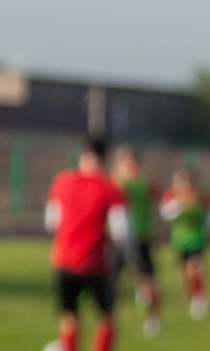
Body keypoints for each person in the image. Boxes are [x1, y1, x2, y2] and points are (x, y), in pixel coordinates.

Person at [44, 138, 139, 351]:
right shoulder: (110, 188)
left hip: (64, 259)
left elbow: (51, 222)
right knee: (106, 317)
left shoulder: (62, 181)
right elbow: (121, 231)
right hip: (95, 261)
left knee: (69, 316)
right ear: (104, 158)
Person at [110, 146, 163, 337]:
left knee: (147, 281)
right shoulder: (118, 182)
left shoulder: (136, 183)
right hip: (118, 240)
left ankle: (152, 318)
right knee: (113, 281)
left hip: (138, 237)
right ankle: (109, 319)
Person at [160, 167, 210, 321]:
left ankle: (200, 298)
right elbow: (165, 213)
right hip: (179, 240)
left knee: (195, 268)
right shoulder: (172, 195)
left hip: (197, 238)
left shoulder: (200, 196)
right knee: (183, 274)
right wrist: (180, 205)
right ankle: (192, 299)